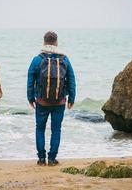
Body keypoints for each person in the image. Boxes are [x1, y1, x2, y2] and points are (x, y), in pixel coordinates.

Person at [27, 31, 76, 166]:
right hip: (59, 102)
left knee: (40, 128)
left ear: (44, 42)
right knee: (56, 129)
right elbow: (71, 79)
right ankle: (52, 159)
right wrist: (72, 98)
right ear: (56, 42)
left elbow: (30, 79)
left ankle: (41, 159)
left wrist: (30, 97)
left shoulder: (37, 59)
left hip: (42, 102)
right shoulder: (64, 59)